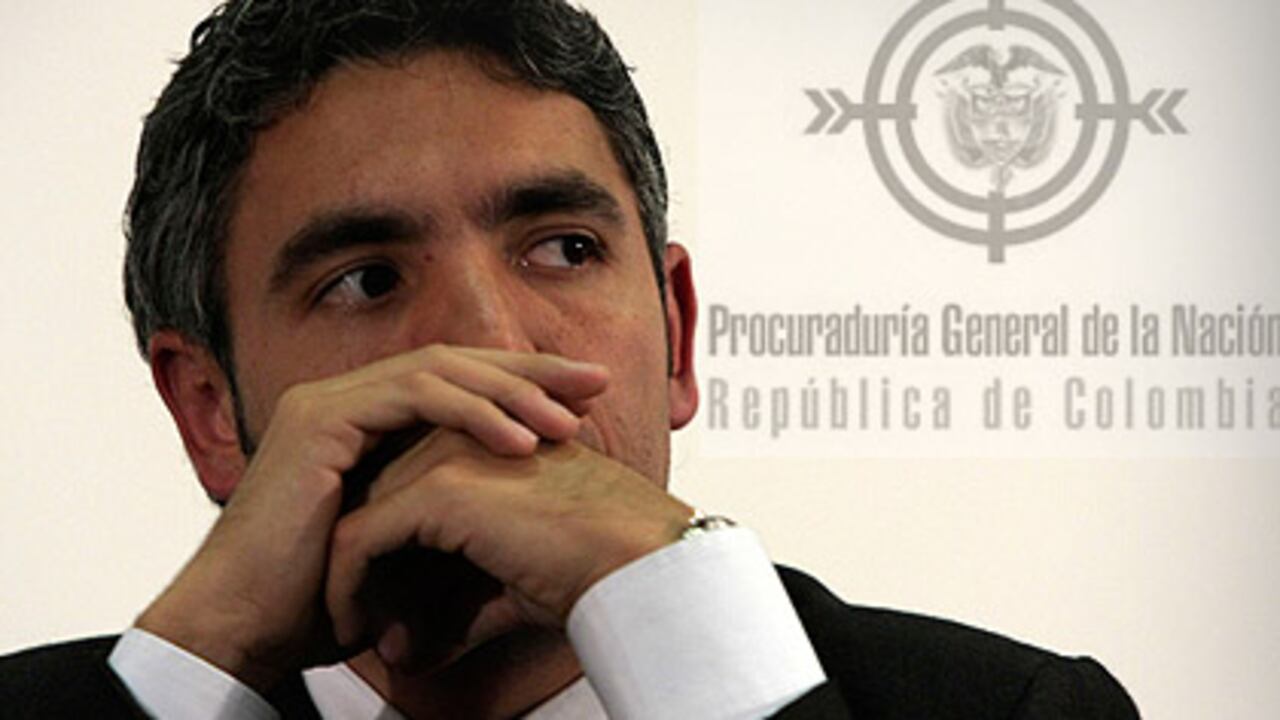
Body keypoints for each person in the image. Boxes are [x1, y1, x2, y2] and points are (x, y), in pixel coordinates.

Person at [0, 1, 1139, 718]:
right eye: (365, 279)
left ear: (675, 332)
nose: (489, 345)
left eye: (563, 249)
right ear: (210, 408)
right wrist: (199, 658)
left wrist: (673, 612)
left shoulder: (1014, 709)